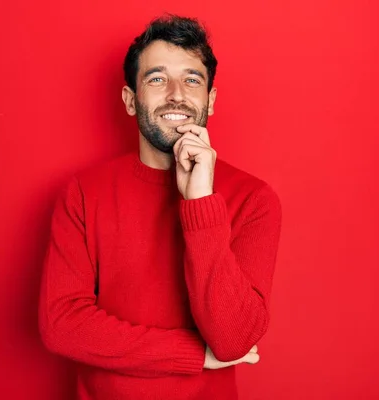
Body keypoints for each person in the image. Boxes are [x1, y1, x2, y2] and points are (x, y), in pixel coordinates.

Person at [38, 14, 282, 400]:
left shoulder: (254, 199)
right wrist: (192, 354)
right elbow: (62, 326)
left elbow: (233, 339)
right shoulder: (83, 192)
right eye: (156, 79)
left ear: (210, 100)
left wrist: (200, 201)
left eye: (191, 79)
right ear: (131, 100)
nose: (176, 94)